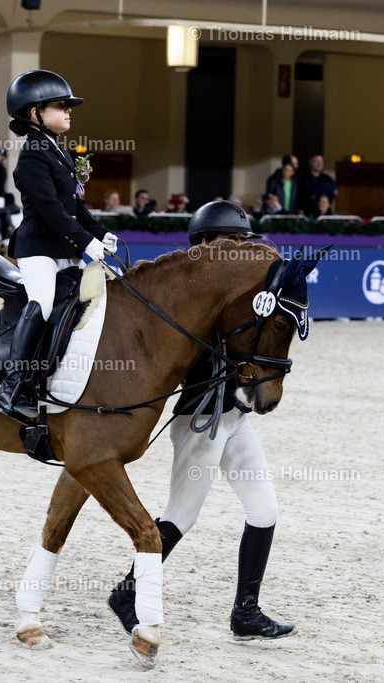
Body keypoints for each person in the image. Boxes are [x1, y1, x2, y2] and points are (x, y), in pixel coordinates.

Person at [106, 200, 296, 642]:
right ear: (205, 245)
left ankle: (245, 612)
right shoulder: (188, 300)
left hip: (235, 419)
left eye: (242, 240)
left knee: (264, 510)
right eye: (229, 240)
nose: (237, 248)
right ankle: (126, 593)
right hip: (201, 417)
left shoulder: (239, 298)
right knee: (181, 515)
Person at [0, 69, 115, 419]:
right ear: (35, 113)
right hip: (38, 250)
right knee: (43, 303)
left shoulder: (57, 152)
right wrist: (86, 241)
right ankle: (13, 386)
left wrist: (101, 233)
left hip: (64, 249)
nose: (69, 111)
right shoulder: (32, 156)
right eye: (61, 105)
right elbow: (49, 212)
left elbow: (74, 207)